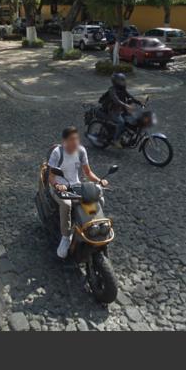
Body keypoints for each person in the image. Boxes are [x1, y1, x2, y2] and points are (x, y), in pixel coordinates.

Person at [48, 126, 108, 259]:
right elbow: (51, 177)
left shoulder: (81, 151)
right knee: (67, 204)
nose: (75, 142)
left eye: (76, 139)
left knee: (99, 198)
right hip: (60, 187)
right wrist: (58, 185)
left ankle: (93, 226)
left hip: (76, 186)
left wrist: (100, 180)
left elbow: (88, 172)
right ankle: (66, 236)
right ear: (65, 141)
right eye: (71, 139)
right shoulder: (58, 153)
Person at [100, 72, 141, 148]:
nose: (123, 82)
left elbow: (130, 96)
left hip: (121, 110)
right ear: (116, 81)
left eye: (123, 80)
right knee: (121, 123)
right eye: (121, 80)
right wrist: (126, 105)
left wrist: (139, 102)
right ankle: (115, 140)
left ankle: (125, 135)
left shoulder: (122, 89)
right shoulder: (112, 90)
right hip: (113, 111)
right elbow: (116, 100)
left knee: (131, 119)